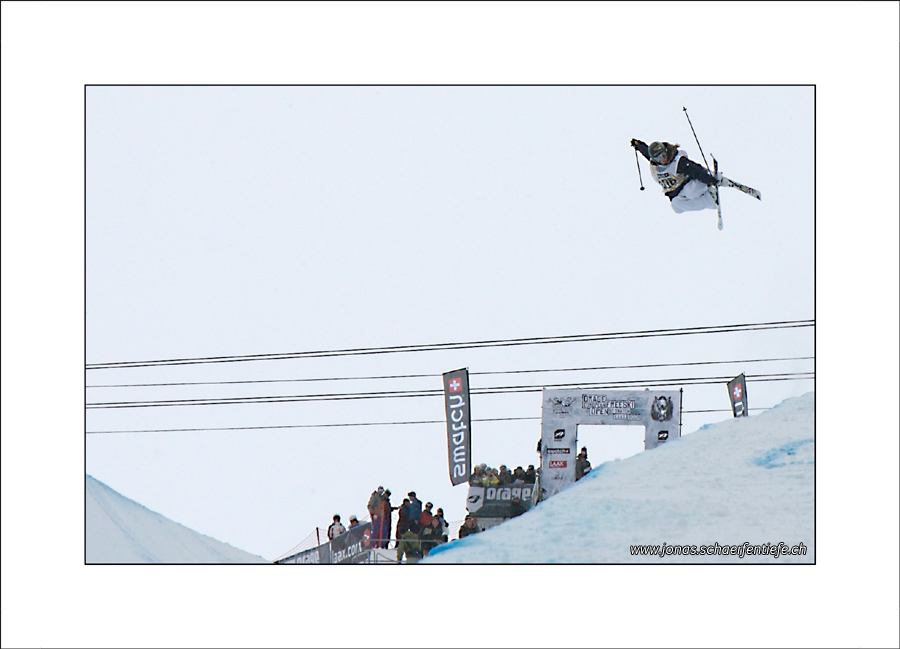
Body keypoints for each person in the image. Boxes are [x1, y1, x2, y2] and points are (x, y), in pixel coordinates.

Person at [631, 139, 721, 213]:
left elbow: (695, 170)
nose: (663, 159)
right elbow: (646, 152)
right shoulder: (656, 164)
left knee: (692, 193)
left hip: (689, 183)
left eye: (663, 155)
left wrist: (710, 179)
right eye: (658, 158)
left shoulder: (677, 162)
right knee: (676, 206)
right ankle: (709, 201)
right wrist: (638, 145)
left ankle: (712, 182)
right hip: (677, 191)